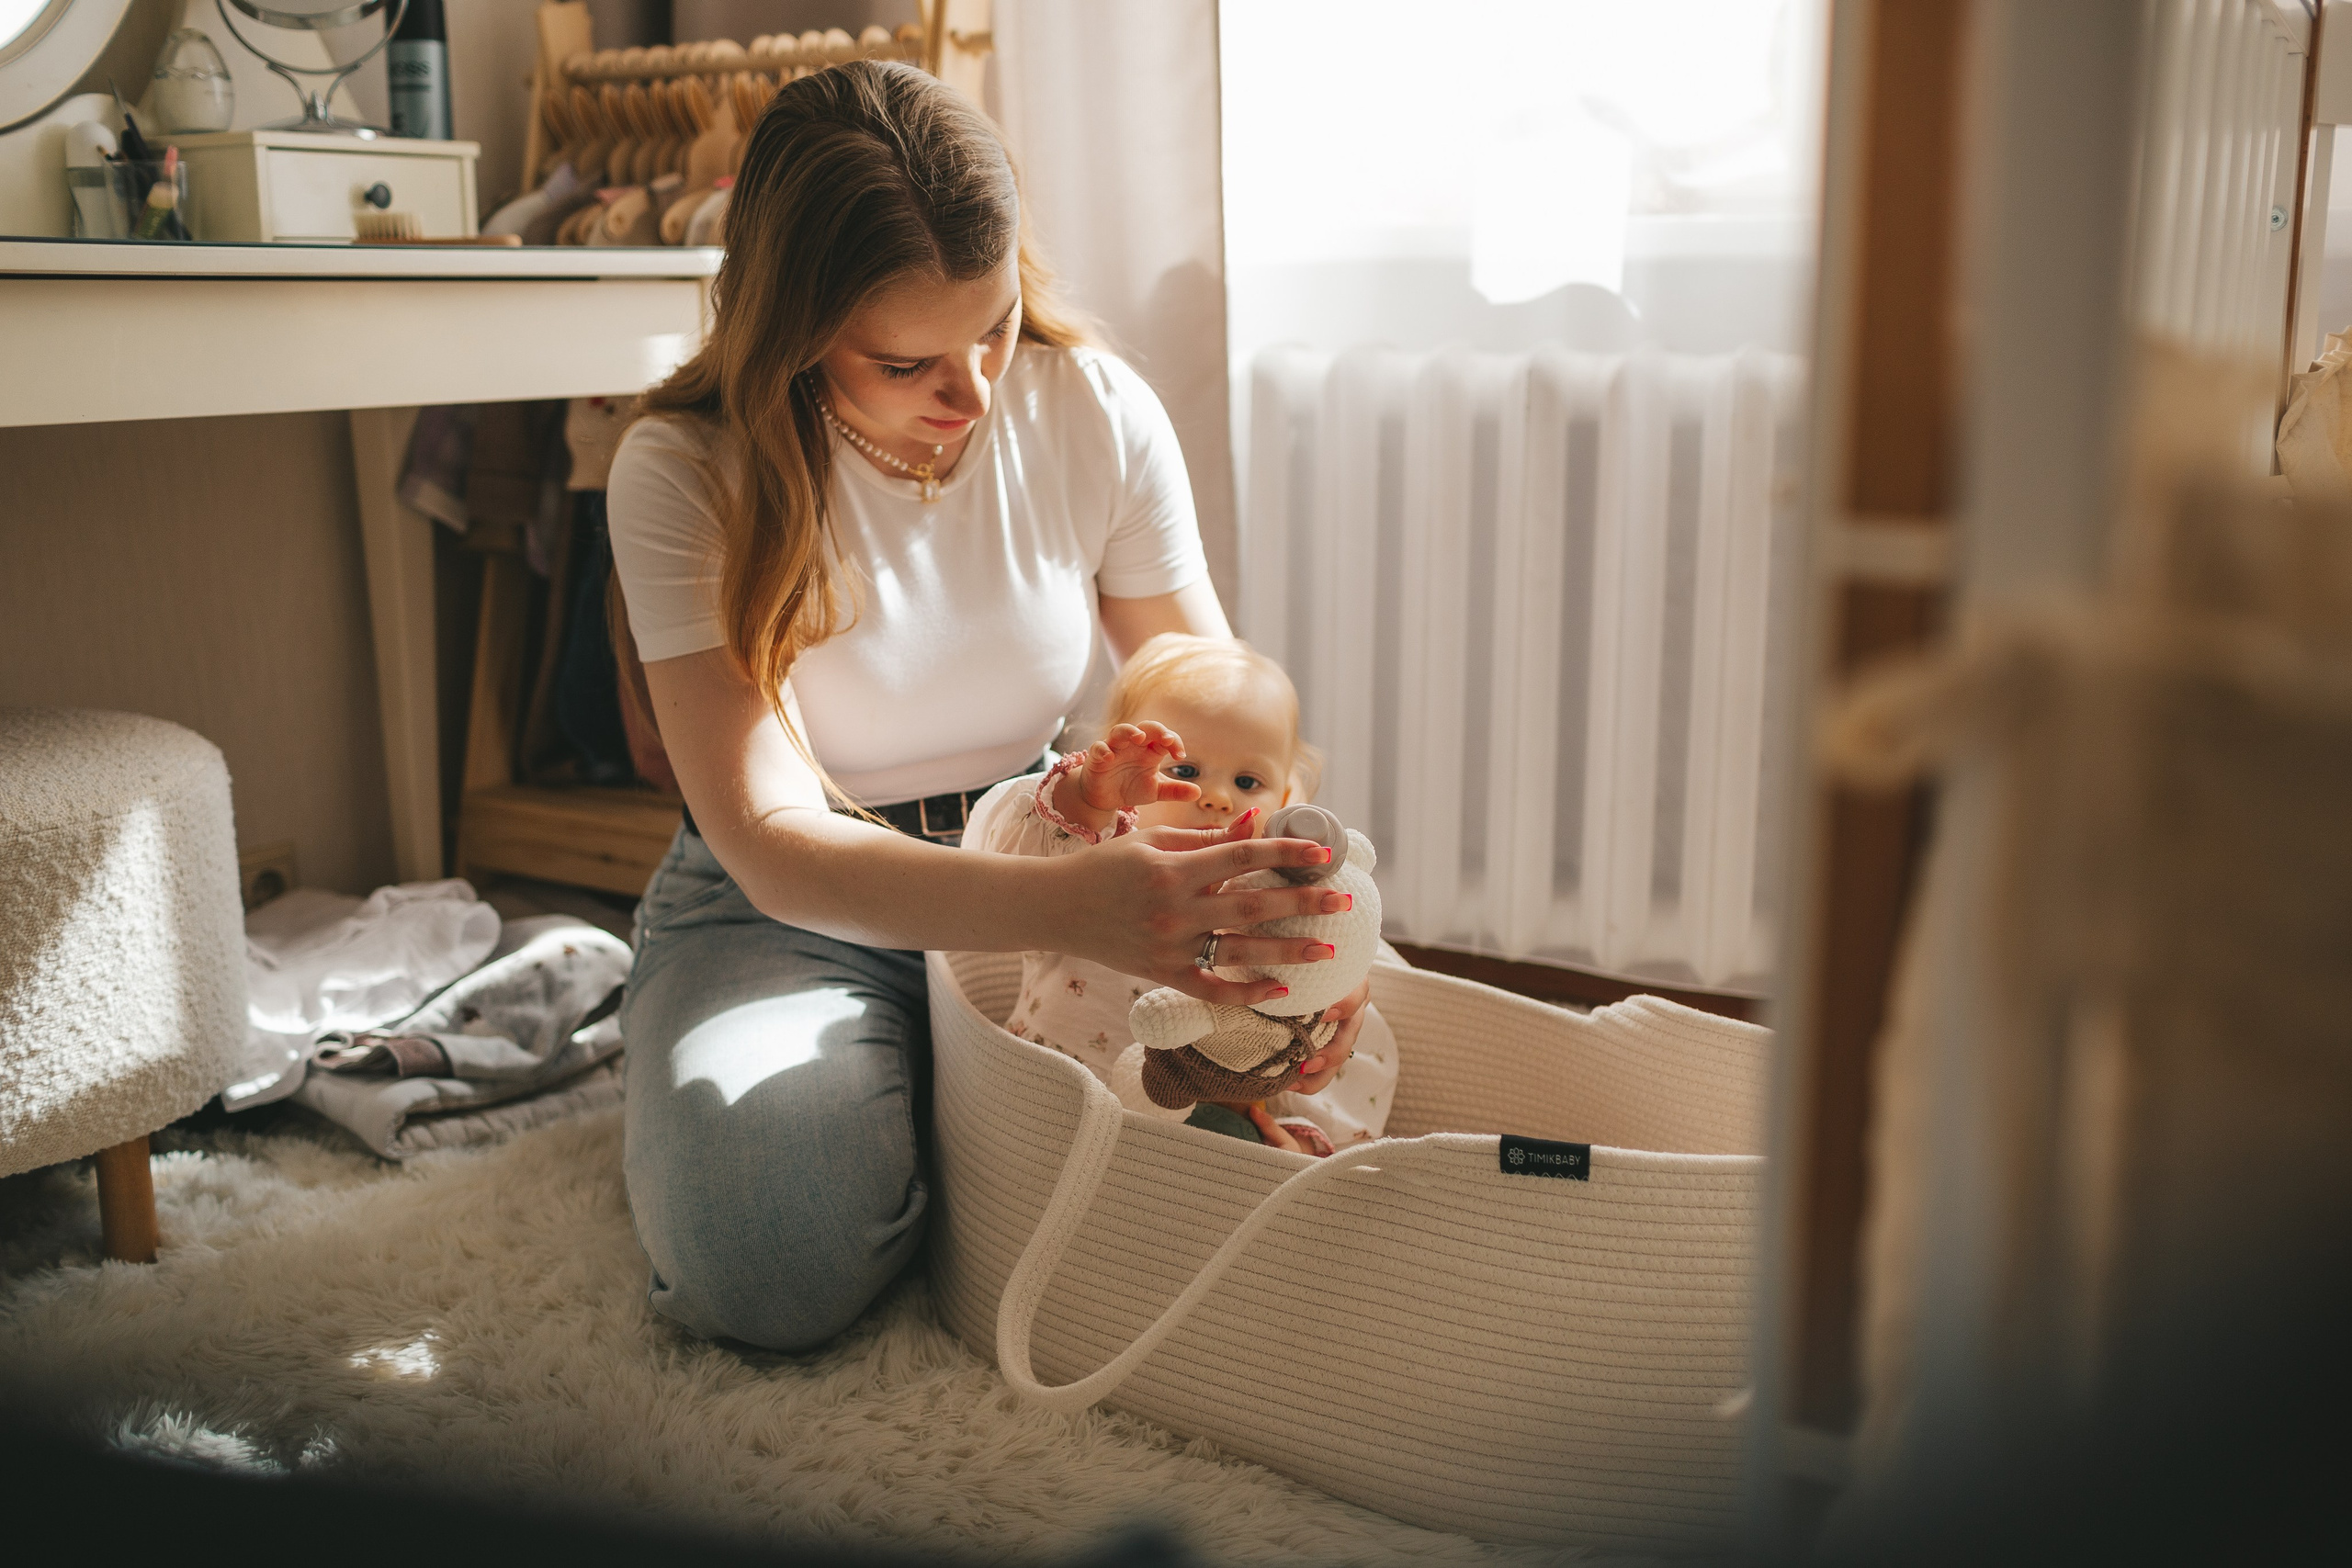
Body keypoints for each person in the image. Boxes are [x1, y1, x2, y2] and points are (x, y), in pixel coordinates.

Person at [605, 62, 1370, 1352]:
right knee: (773, 1257)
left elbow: (1214, 704)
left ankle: (940, 1116)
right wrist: (1077, 911)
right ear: (794, 327)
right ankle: (770, 1105)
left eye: (997, 326)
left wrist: (1296, 913)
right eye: (909, 361)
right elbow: (771, 835)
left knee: (1300, 1090)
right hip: (790, 906)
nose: (974, 393)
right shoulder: (684, 470)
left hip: (1046, 833)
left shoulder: (1095, 408)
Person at [966, 633, 1398, 1157]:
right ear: (1124, 777)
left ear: (1286, 800)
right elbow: (1014, 861)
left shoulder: (1275, 903)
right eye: (1186, 771)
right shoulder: (1093, 863)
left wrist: (1340, 977)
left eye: (1247, 780)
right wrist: (1084, 798)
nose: (1218, 798)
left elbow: (1326, 996)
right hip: (1058, 1118)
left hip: (1205, 1145)